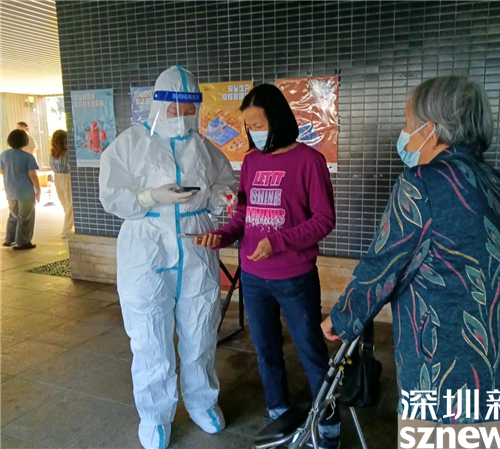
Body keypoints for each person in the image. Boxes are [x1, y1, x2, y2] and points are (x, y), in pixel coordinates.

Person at [321, 76, 500, 449]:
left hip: (454, 377)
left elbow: (384, 265)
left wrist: (342, 318)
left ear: (432, 129)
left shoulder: (422, 183)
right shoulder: (492, 179)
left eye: (408, 124)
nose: (405, 136)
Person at [99, 66, 237, 449]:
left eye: (190, 108)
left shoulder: (205, 148)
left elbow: (223, 184)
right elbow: (111, 195)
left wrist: (222, 197)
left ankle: (202, 401)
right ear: (159, 105)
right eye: (176, 108)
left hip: (195, 245)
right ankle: (155, 416)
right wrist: (149, 196)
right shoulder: (130, 144)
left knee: (201, 328)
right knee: (149, 336)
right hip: (146, 248)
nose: (184, 116)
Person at [196, 84, 340, 448]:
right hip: (254, 277)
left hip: (295, 277)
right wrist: (221, 236)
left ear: (278, 119)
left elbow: (324, 219)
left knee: (311, 349)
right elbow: (243, 216)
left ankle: (327, 421)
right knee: (266, 350)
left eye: (259, 124)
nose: (254, 132)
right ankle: (278, 411)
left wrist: (278, 241)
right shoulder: (251, 161)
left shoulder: (309, 161)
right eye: (249, 126)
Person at [1, 129, 41, 250]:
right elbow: (32, 175)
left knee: (13, 215)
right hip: (25, 192)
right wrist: (38, 189)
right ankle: (22, 242)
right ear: (25, 141)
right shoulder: (28, 156)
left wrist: (10, 175)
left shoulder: (4, 154)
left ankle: (9, 239)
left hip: (10, 190)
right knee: (25, 217)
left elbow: (1, 170)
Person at [50, 130, 74, 237]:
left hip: (57, 177)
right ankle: (66, 230)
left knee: (65, 203)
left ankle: (68, 227)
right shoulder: (68, 152)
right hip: (67, 177)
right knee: (70, 205)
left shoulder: (53, 153)